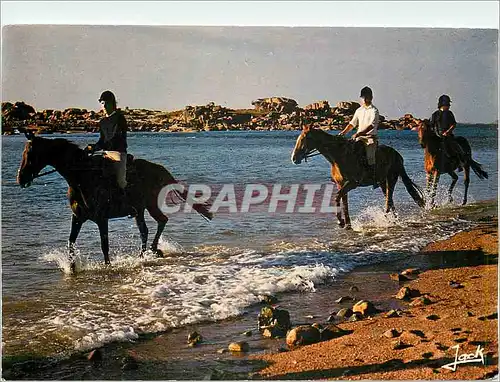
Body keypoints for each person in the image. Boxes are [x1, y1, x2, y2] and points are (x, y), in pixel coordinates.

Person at [87, 90, 129, 192]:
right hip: (105, 153)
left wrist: (98, 147)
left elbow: (116, 138)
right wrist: (92, 147)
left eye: (107, 104)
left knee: (120, 182)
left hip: (118, 153)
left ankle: (127, 205)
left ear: (112, 104)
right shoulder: (102, 122)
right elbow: (102, 140)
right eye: (102, 104)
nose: (104, 107)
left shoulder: (120, 118)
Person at [339, 86, 380, 179]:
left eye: (367, 97)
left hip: (370, 138)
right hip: (359, 137)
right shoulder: (359, 110)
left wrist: (359, 133)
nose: (365, 99)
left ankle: (374, 178)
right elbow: (352, 124)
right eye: (363, 97)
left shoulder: (374, 110)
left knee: (370, 157)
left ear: (371, 97)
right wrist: (343, 133)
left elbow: (371, 126)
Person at [430, 94, 467, 168]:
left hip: (447, 136)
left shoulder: (449, 113)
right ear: (443, 104)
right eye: (448, 104)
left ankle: (460, 162)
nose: (449, 106)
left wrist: (447, 132)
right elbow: (431, 125)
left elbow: (453, 124)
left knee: (456, 147)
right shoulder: (435, 114)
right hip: (437, 137)